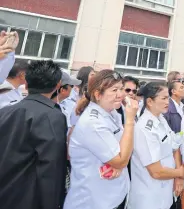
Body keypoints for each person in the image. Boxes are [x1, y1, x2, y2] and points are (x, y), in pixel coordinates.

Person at [64, 70, 139, 209]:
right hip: (93, 201)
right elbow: (121, 159)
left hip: (112, 196)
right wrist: (129, 120)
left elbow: (125, 148)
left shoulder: (112, 113)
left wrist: (118, 161)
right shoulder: (93, 122)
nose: (121, 94)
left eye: (121, 88)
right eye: (114, 90)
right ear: (98, 95)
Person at [0, 60, 67, 209]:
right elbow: (51, 167)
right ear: (58, 85)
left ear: (27, 84)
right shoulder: (53, 116)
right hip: (28, 198)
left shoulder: (4, 112)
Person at [128, 82, 184, 209]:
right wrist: (179, 173)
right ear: (149, 101)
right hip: (149, 198)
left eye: (168, 98)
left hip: (165, 195)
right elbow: (156, 172)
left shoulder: (161, 119)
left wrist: (178, 175)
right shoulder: (145, 128)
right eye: (164, 98)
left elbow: (174, 145)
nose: (168, 102)